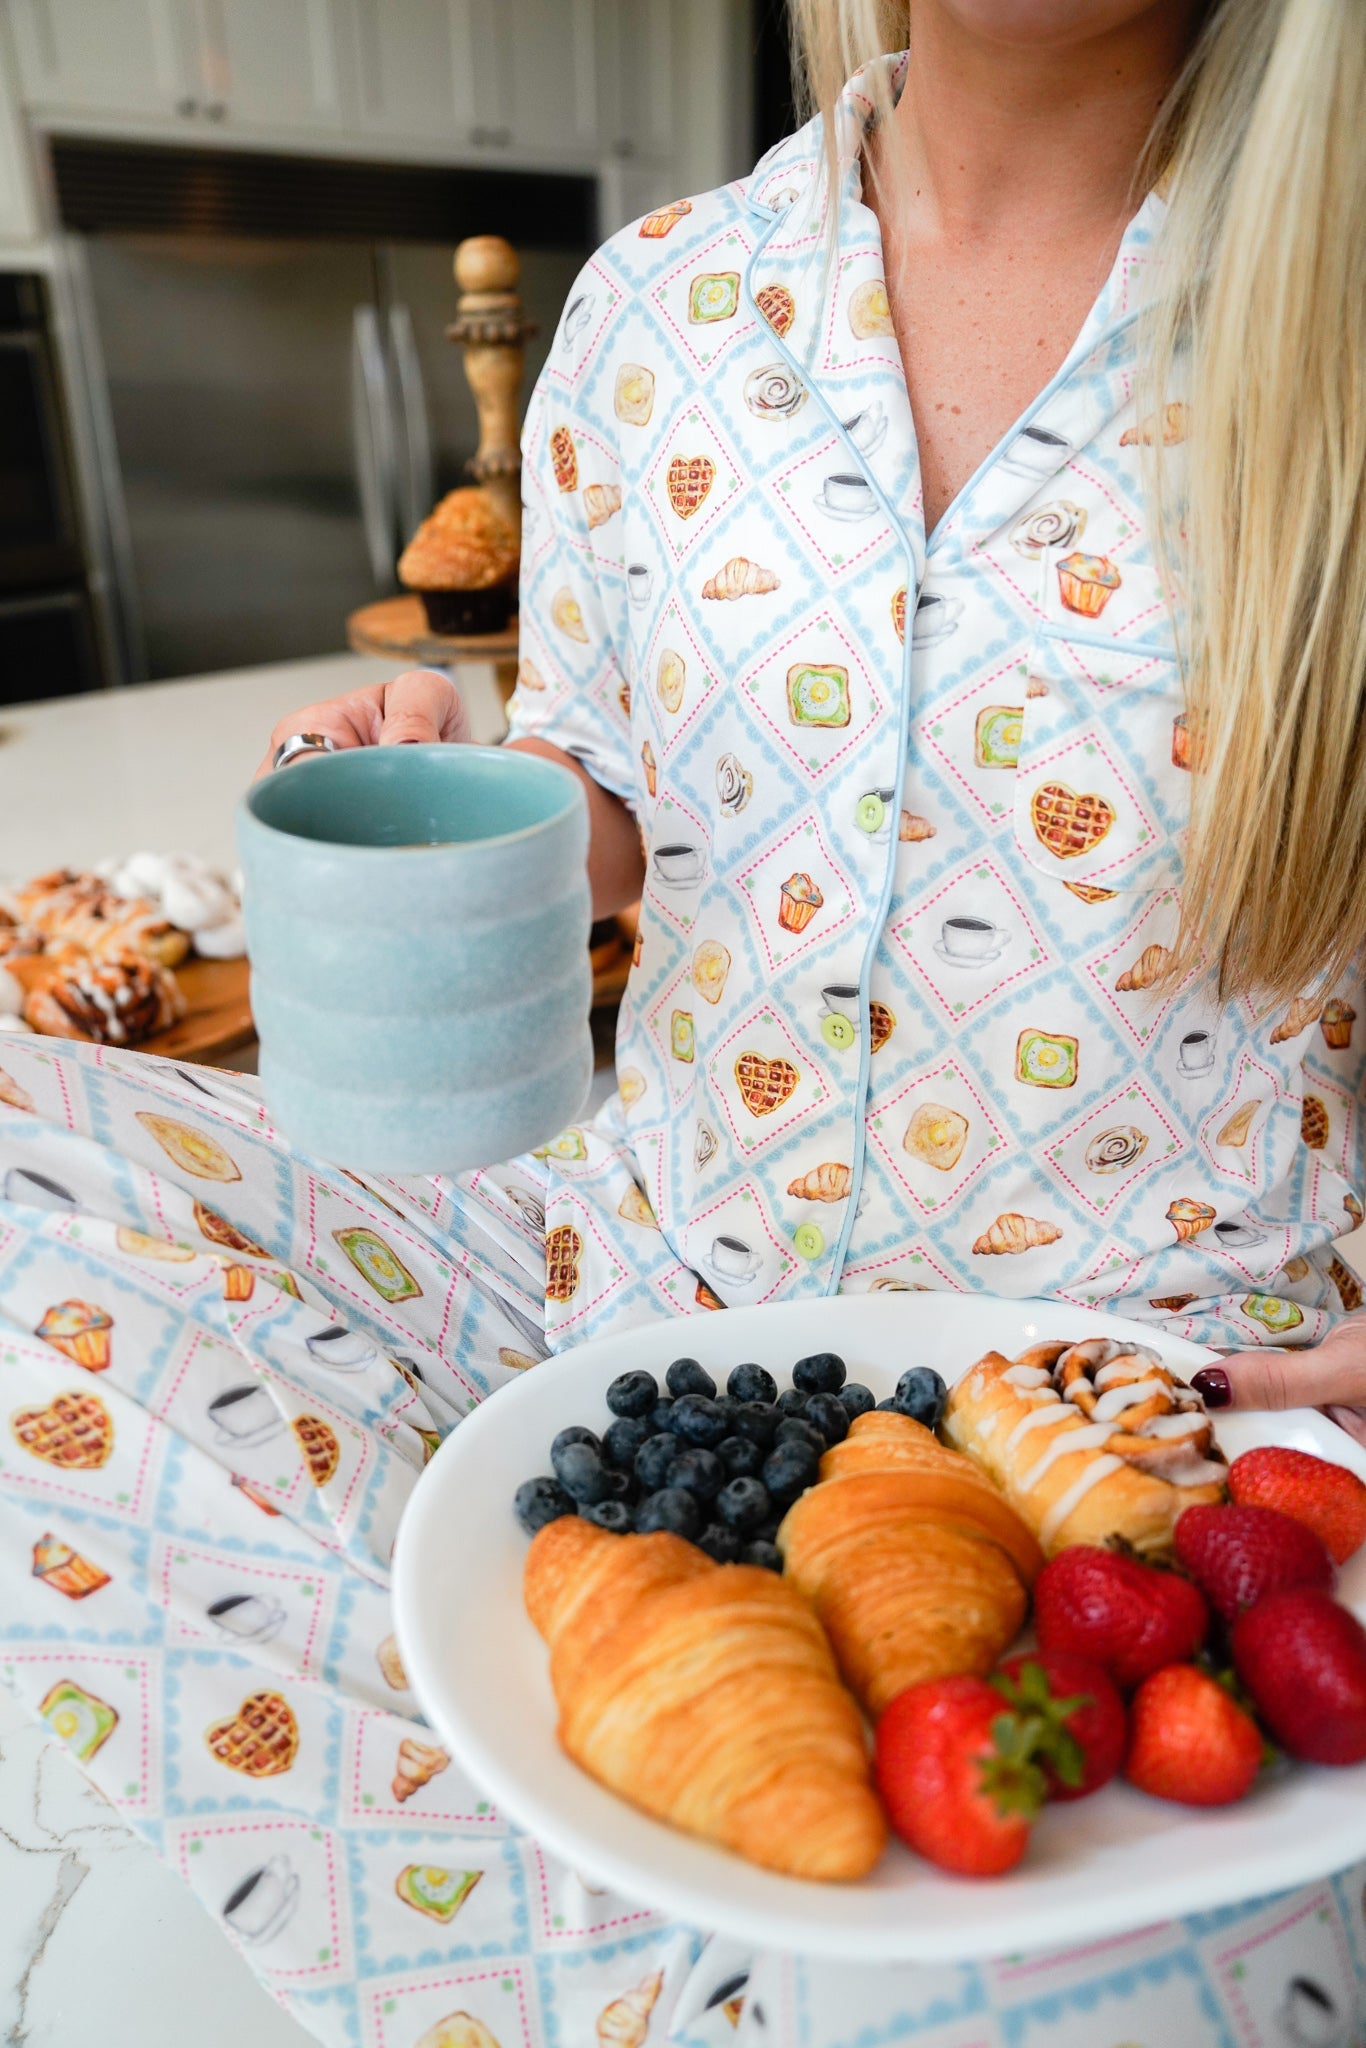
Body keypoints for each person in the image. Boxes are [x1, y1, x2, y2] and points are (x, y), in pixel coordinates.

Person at [3, 1, 1366, 2042]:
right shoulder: (658, 304)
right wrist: (469, 816)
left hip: (1134, 1422)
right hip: (643, 1298)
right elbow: (625, 801)